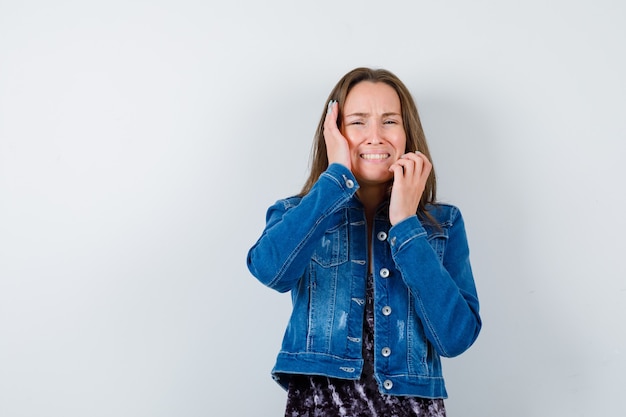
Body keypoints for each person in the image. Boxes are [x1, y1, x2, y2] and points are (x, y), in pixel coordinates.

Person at [247, 67, 481, 416]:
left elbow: (456, 338)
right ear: (334, 133)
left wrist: (406, 225)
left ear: (407, 133)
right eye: (358, 122)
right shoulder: (298, 213)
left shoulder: (443, 224)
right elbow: (268, 269)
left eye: (389, 121)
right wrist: (335, 178)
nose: (375, 136)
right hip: (321, 404)